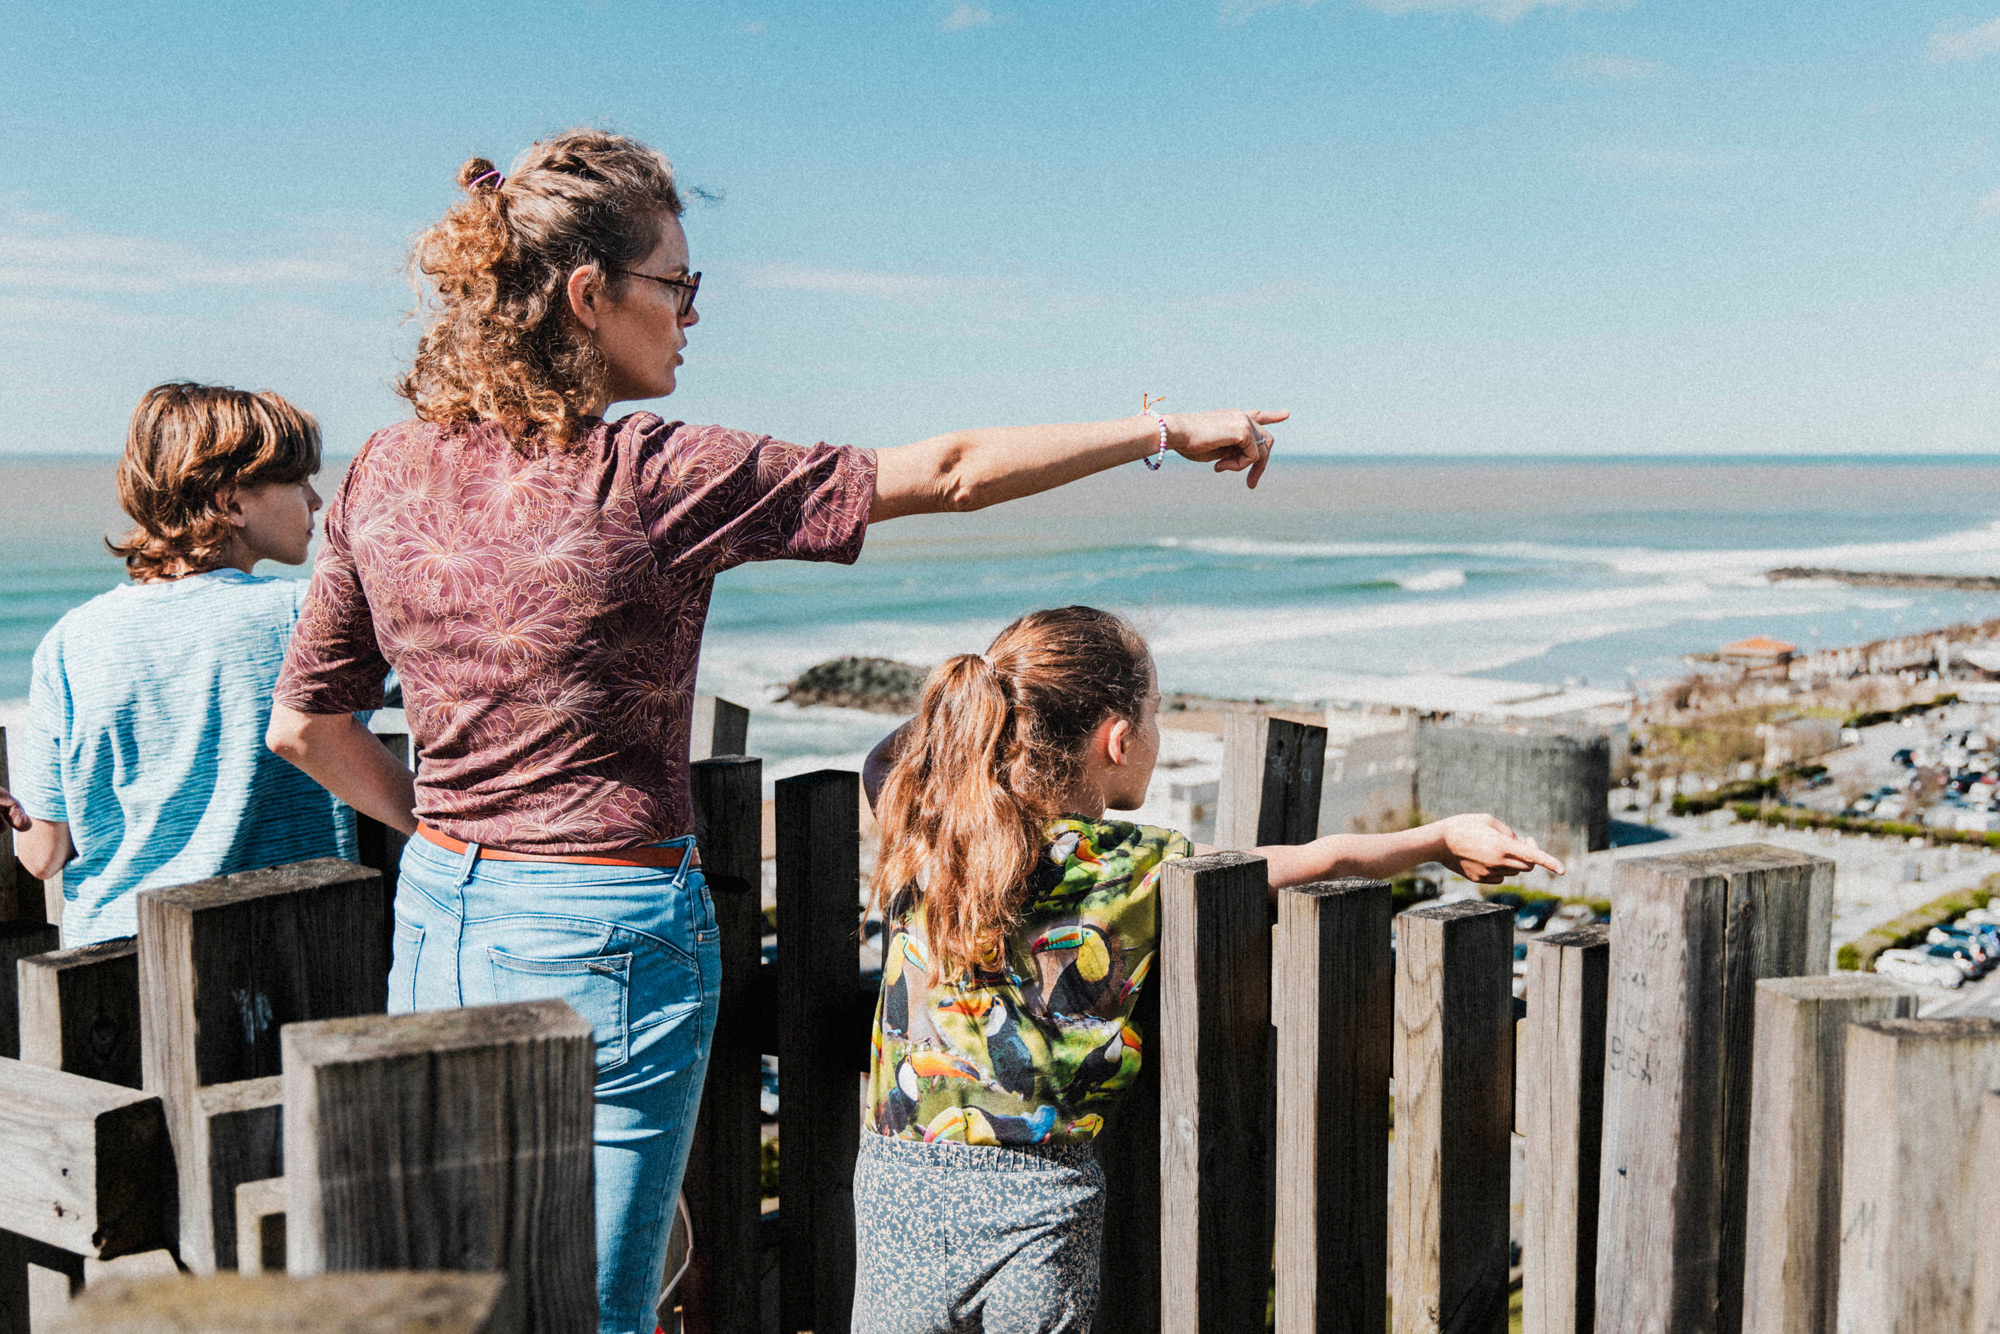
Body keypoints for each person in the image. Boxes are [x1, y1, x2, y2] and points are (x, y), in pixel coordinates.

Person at [262, 127, 1286, 1334]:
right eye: (677, 284)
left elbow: (307, 725)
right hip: (603, 928)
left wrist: (450, 832)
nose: (692, 314)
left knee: (458, 1279)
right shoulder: (650, 474)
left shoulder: (382, 468)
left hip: (437, 906)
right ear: (590, 296)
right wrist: (1162, 428)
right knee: (597, 1304)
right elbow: (947, 470)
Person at [853, 606, 1563, 1332]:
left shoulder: (931, 831)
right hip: (1038, 1199)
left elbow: (883, 764)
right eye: (1155, 712)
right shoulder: (1138, 866)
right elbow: (1322, 860)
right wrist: (1438, 838)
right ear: (1119, 739)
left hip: (898, 1182)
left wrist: (978, 709)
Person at [4, 382, 353, 945]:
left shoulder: (70, 641)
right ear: (231, 502)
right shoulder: (303, 614)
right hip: (277, 951)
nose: (317, 501)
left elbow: (43, 855)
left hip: (109, 964)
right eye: (298, 481)